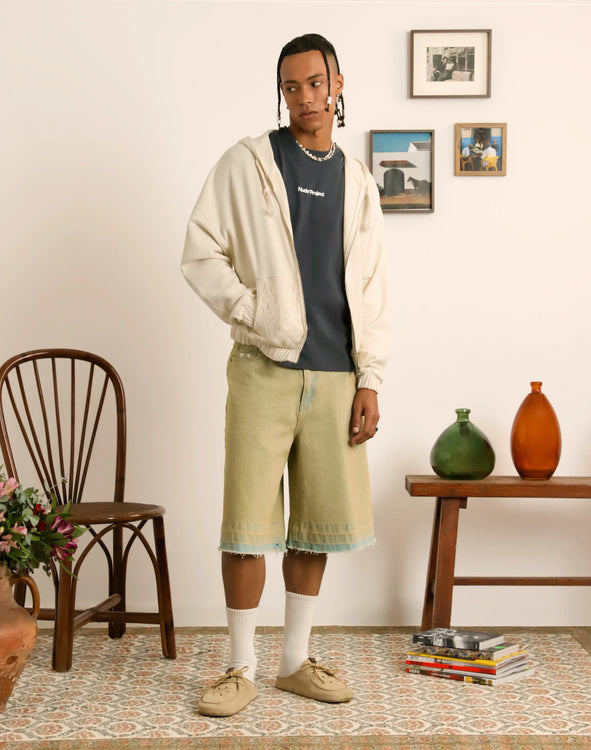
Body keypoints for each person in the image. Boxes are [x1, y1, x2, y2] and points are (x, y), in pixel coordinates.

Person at [181, 32, 391, 718]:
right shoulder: (248, 163)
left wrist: (370, 379)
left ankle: (294, 662)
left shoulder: (358, 180)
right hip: (262, 371)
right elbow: (200, 250)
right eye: (291, 87)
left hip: (337, 376)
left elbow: (373, 286)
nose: (305, 97)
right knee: (247, 525)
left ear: (338, 84)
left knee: (314, 527)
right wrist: (251, 310)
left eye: (315, 83)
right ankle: (240, 667)